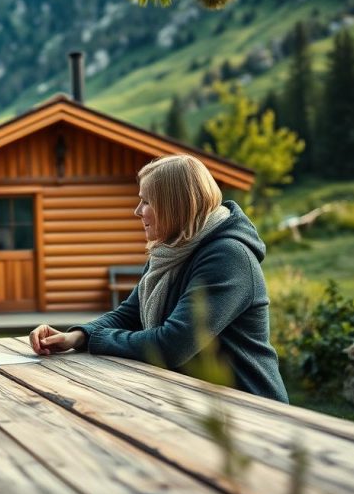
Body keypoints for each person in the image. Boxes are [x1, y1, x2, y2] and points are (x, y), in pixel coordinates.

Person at [28, 154, 288, 402]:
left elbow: (172, 345)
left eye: (147, 202)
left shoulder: (228, 256)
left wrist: (97, 340)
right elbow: (130, 314)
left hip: (249, 408)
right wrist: (76, 336)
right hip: (195, 401)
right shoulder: (170, 251)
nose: (137, 211)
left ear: (175, 206)